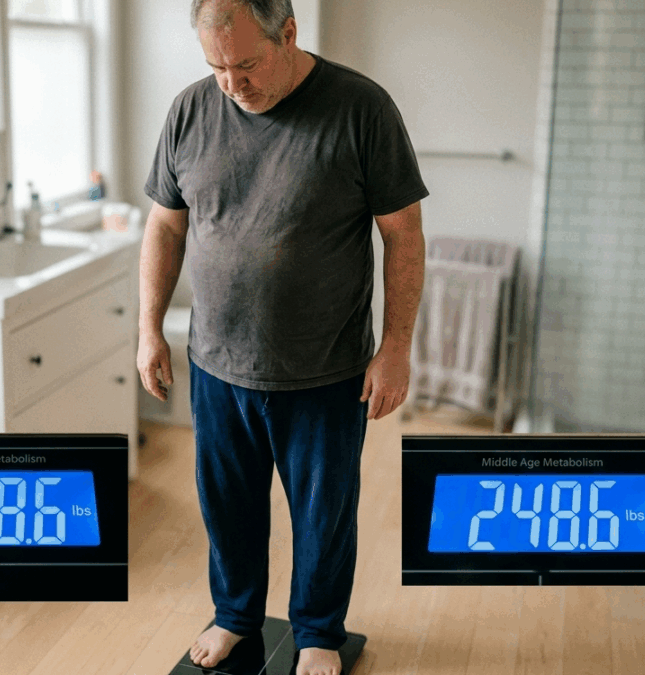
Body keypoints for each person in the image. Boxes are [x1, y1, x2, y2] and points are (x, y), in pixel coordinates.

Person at [136, 1, 428, 673]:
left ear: (288, 34)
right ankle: (235, 614)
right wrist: (149, 327)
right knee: (227, 505)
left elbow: (402, 235)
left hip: (325, 369)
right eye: (215, 66)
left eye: (244, 63)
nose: (231, 84)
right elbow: (165, 226)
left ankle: (319, 630)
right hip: (217, 362)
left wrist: (396, 346)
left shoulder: (362, 108)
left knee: (323, 513)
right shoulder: (189, 111)